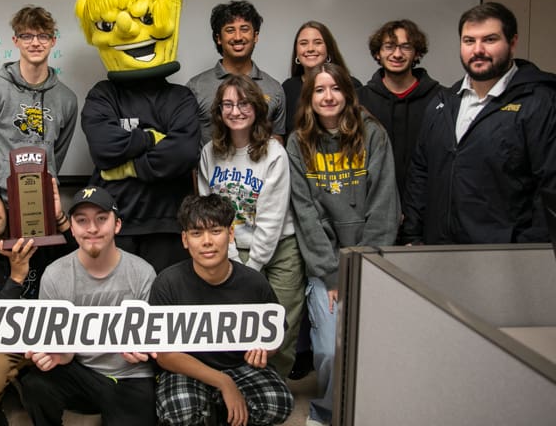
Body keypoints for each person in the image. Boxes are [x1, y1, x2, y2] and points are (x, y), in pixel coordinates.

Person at [286, 64, 399, 426]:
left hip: (369, 262)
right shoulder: (298, 142)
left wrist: (361, 268)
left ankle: (367, 410)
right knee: (329, 350)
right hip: (326, 267)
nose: (329, 96)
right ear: (309, 99)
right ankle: (328, 412)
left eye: (336, 88)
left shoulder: (373, 135)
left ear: (348, 94)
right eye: (319, 90)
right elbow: (305, 215)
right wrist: (334, 275)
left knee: (370, 346)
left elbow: (383, 206)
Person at [402, 2, 556, 245]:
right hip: (439, 250)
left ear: (512, 42)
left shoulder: (540, 102)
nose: (478, 50)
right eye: (469, 41)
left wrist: (526, 248)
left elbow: (550, 186)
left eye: (490, 39)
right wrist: (412, 234)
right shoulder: (443, 103)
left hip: (505, 257)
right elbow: (420, 173)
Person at [76, 0, 200, 272]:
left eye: (144, 18)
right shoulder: (102, 94)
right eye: (109, 25)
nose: (129, 31)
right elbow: (104, 148)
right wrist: (151, 138)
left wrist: (129, 166)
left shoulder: (181, 97)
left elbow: (182, 153)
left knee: (164, 312)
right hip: (116, 226)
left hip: (170, 226)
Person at [150, 194, 294, 426]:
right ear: (185, 240)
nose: (207, 241)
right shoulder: (168, 282)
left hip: (239, 365)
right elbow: (165, 356)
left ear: (231, 234)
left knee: (277, 403)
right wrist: (224, 383)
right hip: (188, 369)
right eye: (197, 233)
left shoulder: (253, 282)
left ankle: (223, 411)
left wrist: (265, 350)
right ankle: (213, 407)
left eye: (216, 231)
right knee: (181, 412)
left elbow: (276, 336)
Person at [20, 185, 157, 426]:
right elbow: (56, 342)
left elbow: (151, 340)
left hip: (130, 376)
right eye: (82, 221)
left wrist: (145, 350)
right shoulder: (54, 275)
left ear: (117, 225)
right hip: (81, 370)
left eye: (101, 219)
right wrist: (58, 353)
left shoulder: (143, 272)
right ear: (71, 228)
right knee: (35, 384)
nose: (92, 228)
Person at [197, 74, 304, 377]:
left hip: (278, 248)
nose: (235, 111)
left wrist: (251, 266)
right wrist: (230, 257)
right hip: (231, 248)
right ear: (218, 112)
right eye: (227, 105)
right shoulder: (210, 152)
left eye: (243, 104)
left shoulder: (274, 153)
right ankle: (241, 383)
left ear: (257, 108)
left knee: (278, 322)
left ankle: (274, 385)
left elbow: (271, 218)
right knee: (237, 321)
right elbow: (211, 212)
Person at [0, 174, 74, 426]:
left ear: (5, 204)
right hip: (2, 339)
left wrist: (60, 219)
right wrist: (16, 276)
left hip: (46, 330)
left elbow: (79, 263)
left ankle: (22, 374)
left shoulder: (33, 231)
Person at [0, 5, 77, 198]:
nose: (35, 43)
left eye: (43, 36)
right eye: (27, 36)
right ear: (16, 41)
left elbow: (57, 154)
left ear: (53, 41)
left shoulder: (67, 99)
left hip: (41, 199)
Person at [358, 19, 444, 201]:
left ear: (417, 54)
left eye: (405, 47)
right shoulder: (359, 100)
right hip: (371, 207)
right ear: (377, 53)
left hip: (427, 207)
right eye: (389, 46)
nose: (397, 54)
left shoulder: (441, 100)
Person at [187, 0, 286, 145]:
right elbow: (187, 142)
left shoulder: (274, 89)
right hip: (210, 167)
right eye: (230, 30)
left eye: (245, 29)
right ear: (219, 38)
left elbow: (277, 140)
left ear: (256, 36)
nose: (238, 37)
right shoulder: (196, 88)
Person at [281, 21, 361, 134]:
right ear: (296, 52)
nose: (310, 49)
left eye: (317, 43)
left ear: (328, 49)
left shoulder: (351, 85)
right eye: (303, 43)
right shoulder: (287, 88)